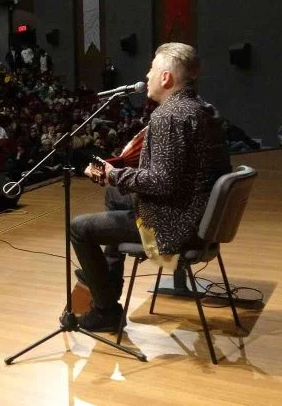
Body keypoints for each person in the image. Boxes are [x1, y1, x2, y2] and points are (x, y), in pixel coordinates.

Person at [70, 43, 231, 331]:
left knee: (79, 228)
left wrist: (113, 173)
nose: (146, 75)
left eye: (152, 69)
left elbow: (162, 182)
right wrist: (116, 179)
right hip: (199, 218)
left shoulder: (169, 116)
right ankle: (107, 278)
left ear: (166, 78)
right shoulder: (204, 110)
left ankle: (106, 307)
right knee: (113, 194)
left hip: (172, 227)